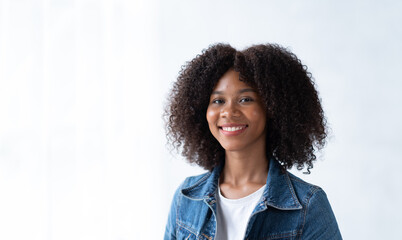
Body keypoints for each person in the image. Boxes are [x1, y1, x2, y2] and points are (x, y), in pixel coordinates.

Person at [163, 43, 342, 240]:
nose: (229, 112)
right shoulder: (186, 198)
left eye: (245, 99)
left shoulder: (307, 206)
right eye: (218, 101)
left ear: (273, 108)